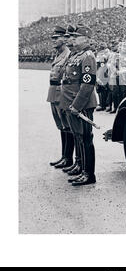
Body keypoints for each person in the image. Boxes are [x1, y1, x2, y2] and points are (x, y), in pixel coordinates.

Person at [59, 25, 98, 186]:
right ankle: (82, 168)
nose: (73, 39)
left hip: (82, 103)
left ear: (86, 39)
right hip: (72, 101)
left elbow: (87, 84)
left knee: (86, 138)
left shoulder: (87, 56)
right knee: (79, 137)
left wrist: (77, 105)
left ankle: (89, 174)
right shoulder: (77, 55)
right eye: (73, 36)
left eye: (77, 36)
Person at [47, 25, 74, 169]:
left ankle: (68, 158)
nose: (53, 41)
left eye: (56, 38)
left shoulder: (67, 54)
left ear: (64, 39)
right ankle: (64, 156)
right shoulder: (58, 54)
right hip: (53, 92)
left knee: (67, 126)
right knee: (61, 127)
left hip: (61, 93)